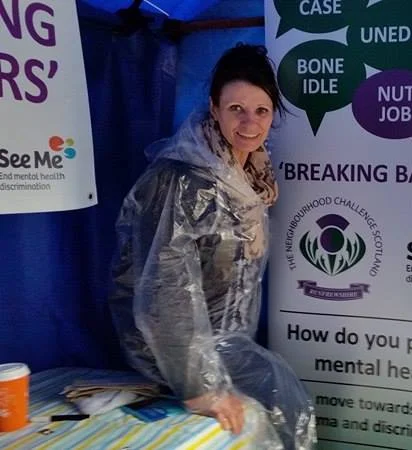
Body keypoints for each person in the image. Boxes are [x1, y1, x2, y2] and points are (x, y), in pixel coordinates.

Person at [108, 44, 314, 449]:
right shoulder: (181, 179)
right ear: (214, 108)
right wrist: (200, 387)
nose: (250, 122)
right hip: (170, 354)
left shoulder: (251, 177)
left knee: (287, 403)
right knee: (283, 405)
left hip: (223, 346)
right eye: (237, 108)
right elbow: (165, 290)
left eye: (261, 110)